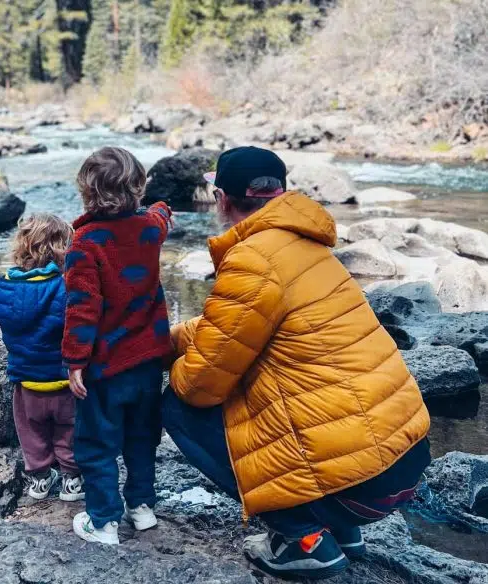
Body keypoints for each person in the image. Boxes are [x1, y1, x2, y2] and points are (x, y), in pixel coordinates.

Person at [164, 146, 431, 580]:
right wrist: (175, 339)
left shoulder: (253, 260)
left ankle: (304, 537)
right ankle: (340, 530)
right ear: (281, 193)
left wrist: (162, 362)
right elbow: (233, 325)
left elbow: (201, 384)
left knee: (178, 405)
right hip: (404, 465)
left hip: (360, 485)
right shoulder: (306, 245)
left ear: (223, 201)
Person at [63, 146, 174, 545]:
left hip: (104, 368)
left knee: (96, 443)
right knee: (142, 437)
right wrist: (159, 206)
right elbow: (161, 216)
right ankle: (142, 508)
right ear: (137, 187)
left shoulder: (84, 244)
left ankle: (104, 521)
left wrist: (75, 361)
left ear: (86, 192)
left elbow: (82, 309)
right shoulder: (149, 228)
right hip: (147, 362)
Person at [0, 214, 85, 502]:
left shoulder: (4, 286)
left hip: (26, 380)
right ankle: (71, 478)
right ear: (61, 248)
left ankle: (40, 480)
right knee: (68, 430)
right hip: (62, 379)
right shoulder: (64, 285)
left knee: (32, 433)